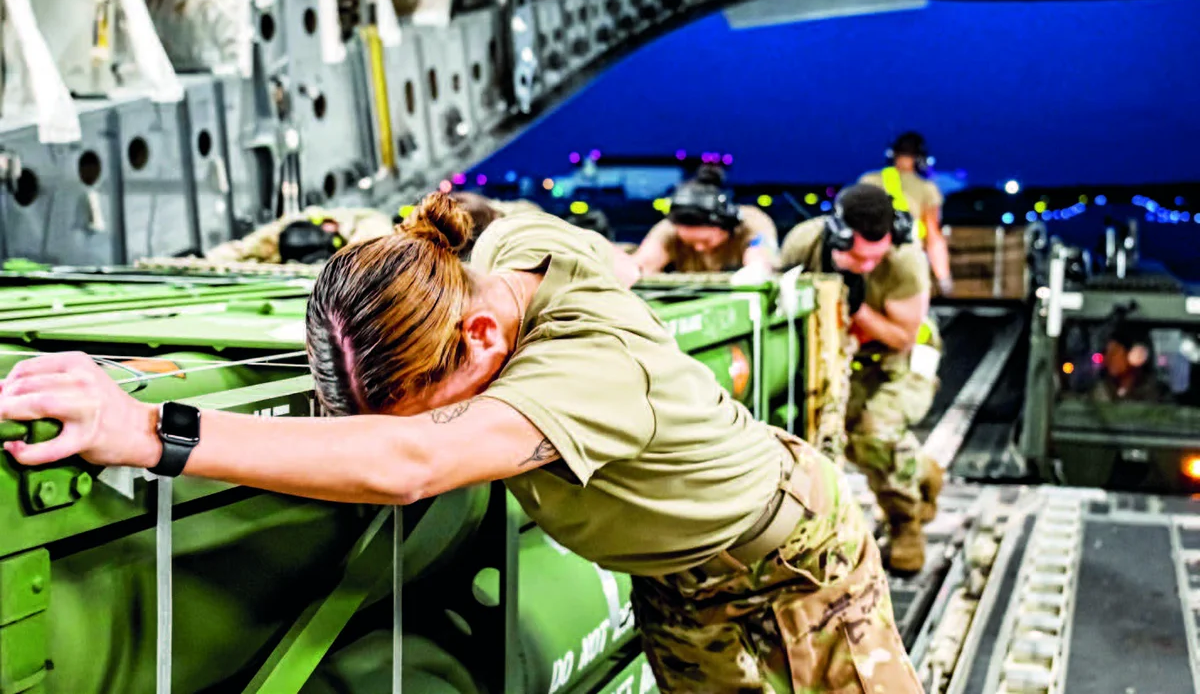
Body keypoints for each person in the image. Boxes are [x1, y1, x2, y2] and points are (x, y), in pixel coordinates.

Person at [1, 193, 922, 693]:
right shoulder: (505, 253)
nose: (413, 421)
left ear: (480, 341)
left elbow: (411, 463)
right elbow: (460, 210)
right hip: (676, 582)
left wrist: (145, 427)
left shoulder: (588, 368)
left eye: (420, 401)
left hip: (790, 567)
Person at [780, 183, 943, 575]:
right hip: (834, 355)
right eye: (857, 257)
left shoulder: (905, 261)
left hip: (899, 361)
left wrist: (846, 302)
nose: (868, 266)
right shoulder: (806, 243)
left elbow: (902, 336)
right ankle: (920, 470)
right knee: (832, 436)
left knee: (874, 433)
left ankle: (906, 524)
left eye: (876, 258)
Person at [633, 165, 779, 283]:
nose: (699, 248)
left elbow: (760, 259)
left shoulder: (751, 222)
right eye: (690, 242)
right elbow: (643, 264)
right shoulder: (669, 229)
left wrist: (755, 269)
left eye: (705, 241)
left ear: (726, 228)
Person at [859, 132, 954, 296]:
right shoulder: (927, 189)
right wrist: (944, 279)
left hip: (869, 263)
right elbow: (933, 236)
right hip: (907, 263)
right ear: (921, 158)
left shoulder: (868, 181)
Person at [206, 206, 395, 264]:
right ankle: (205, 261)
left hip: (347, 254)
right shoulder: (375, 224)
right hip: (331, 235)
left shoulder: (378, 229)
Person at [1092, 323, 1169, 402]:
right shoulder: (1100, 389)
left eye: (1114, 355)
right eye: (1108, 354)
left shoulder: (1148, 389)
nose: (1108, 359)